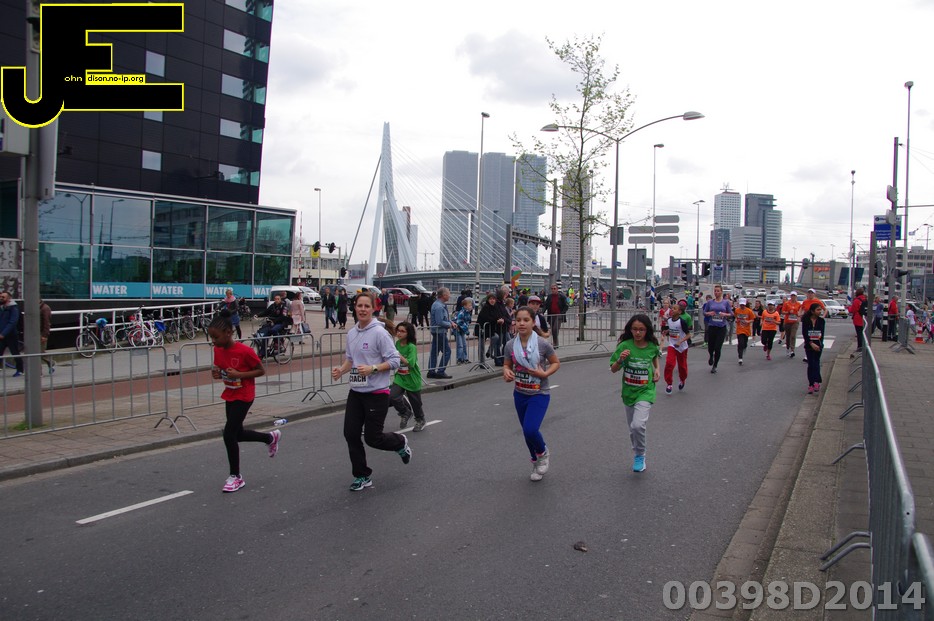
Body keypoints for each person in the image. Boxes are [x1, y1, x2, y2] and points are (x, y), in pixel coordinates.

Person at [331, 291, 409, 492]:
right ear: (355, 308)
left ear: (374, 308)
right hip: (356, 392)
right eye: (360, 306)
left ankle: (400, 442)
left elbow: (394, 361)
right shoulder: (352, 333)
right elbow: (351, 360)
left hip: (376, 394)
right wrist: (341, 370)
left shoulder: (380, 333)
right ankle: (362, 475)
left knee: (373, 439)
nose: (363, 309)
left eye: (367, 306)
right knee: (350, 434)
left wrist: (373, 368)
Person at [208, 311, 278, 493]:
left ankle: (236, 476)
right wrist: (217, 373)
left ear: (228, 333)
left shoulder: (245, 351)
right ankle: (270, 438)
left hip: (245, 395)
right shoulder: (218, 349)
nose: (213, 341)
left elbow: (260, 370)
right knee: (237, 434)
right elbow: (222, 369)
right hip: (230, 393)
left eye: (216, 337)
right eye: (211, 337)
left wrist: (240, 374)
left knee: (228, 434)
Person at [503, 306, 561, 482]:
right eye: (518, 320)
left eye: (526, 320)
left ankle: (543, 452)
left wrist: (545, 373)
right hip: (520, 393)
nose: (521, 323)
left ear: (532, 322)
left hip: (539, 393)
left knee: (530, 429)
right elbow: (507, 365)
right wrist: (506, 372)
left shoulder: (542, 344)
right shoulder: (510, 345)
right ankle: (535, 461)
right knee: (526, 433)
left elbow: (556, 363)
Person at [609, 314, 660, 473]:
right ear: (630, 330)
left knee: (638, 425)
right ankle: (637, 452)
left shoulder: (652, 345)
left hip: (646, 391)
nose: (638, 333)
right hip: (629, 392)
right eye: (635, 329)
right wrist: (620, 360)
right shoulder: (625, 346)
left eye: (641, 330)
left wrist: (657, 370)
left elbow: (655, 356)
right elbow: (613, 369)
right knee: (633, 428)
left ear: (647, 330)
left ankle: (640, 455)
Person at [389, 321, 427, 432]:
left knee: (416, 403)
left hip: (412, 378)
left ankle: (420, 420)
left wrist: (398, 355)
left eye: (402, 331)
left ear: (408, 333)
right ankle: (405, 412)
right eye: (398, 331)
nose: (399, 333)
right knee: (392, 396)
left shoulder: (411, 347)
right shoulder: (397, 344)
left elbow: (410, 363)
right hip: (400, 377)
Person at [662, 300, 692, 394]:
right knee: (669, 364)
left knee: (682, 367)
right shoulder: (669, 320)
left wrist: (680, 342)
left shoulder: (682, 322)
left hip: (682, 347)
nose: (672, 310)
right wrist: (666, 332)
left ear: (679, 312)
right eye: (672, 308)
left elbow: (688, 335)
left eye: (674, 309)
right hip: (672, 345)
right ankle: (669, 383)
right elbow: (671, 328)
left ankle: (682, 379)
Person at [703, 284, 732, 373]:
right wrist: (709, 313)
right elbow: (704, 312)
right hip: (712, 326)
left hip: (721, 327)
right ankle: (711, 356)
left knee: (718, 347)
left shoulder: (725, 302)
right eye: (715, 291)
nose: (716, 292)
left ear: (721, 292)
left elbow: (731, 314)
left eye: (718, 291)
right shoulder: (710, 302)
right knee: (710, 347)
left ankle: (715, 365)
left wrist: (724, 314)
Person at [478, 291, 511, 366]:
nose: (492, 300)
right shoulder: (486, 307)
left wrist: (501, 320)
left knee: (496, 337)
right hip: (482, 328)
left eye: (493, 299)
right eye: (490, 299)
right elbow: (487, 318)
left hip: (490, 329)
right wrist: (497, 320)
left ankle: (490, 351)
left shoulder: (494, 307)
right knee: (481, 346)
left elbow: (498, 315)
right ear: (488, 300)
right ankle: (482, 362)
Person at [427, 287, 453, 379]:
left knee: (434, 352)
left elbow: (443, 319)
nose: (449, 295)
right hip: (440, 332)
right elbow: (440, 321)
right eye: (448, 293)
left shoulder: (438, 304)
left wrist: (450, 322)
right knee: (447, 351)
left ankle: (431, 371)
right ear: (444, 295)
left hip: (437, 331)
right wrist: (450, 324)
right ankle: (441, 371)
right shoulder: (439, 306)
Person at [801, 301, 826, 394]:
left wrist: (819, 345)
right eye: (818, 310)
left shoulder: (821, 321)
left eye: (820, 310)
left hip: (818, 345)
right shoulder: (806, 320)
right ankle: (811, 383)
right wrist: (811, 343)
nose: (820, 311)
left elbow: (822, 334)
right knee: (811, 364)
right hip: (809, 345)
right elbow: (804, 333)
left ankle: (816, 382)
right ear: (812, 311)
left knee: (816, 362)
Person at [0, 291, 23, 377]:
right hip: (1, 335)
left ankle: (20, 370)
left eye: (3, 297)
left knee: (15, 352)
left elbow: (12, 322)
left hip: (11, 335)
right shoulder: (1, 307)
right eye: (0, 297)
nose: (1, 298)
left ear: (9, 298)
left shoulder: (13, 308)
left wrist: (3, 333)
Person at [800, 289, 826, 364]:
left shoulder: (818, 301)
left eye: (812, 293)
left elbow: (825, 309)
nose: (810, 294)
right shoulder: (805, 301)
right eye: (809, 293)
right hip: (807, 320)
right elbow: (801, 308)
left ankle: (815, 349)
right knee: (807, 336)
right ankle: (807, 354)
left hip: (816, 320)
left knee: (815, 336)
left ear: (814, 294)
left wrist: (823, 317)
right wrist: (799, 314)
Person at [544, 284, 569, 348]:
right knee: (553, 330)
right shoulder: (549, 297)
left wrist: (562, 313)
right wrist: (542, 312)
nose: (553, 290)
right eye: (552, 289)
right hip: (551, 314)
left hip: (558, 315)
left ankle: (555, 343)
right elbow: (546, 305)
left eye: (554, 289)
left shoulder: (561, 296)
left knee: (555, 329)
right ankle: (556, 343)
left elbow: (566, 305)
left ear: (557, 289)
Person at [780, 291, 803, 358]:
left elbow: (801, 311)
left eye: (794, 296)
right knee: (788, 336)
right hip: (787, 321)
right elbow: (783, 312)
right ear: (790, 296)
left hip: (795, 322)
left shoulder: (798, 304)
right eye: (792, 296)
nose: (793, 297)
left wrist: (799, 315)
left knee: (793, 336)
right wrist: (788, 312)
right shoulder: (786, 303)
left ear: (796, 297)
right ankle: (788, 348)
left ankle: (792, 350)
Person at [734, 298, 756, 365]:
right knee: (740, 343)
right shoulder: (737, 310)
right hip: (739, 329)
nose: (742, 306)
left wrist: (748, 321)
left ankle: (744, 347)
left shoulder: (749, 311)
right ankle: (740, 358)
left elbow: (753, 319)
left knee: (744, 343)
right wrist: (736, 320)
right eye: (741, 305)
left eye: (743, 305)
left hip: (746, 330)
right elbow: (735, 317)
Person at [848, 287, 868, 354]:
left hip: (858, 318)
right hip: (864, 318)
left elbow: (852, 310)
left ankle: (860, 347)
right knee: (863, 333)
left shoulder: (856, 300)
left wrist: (849, 308)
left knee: (859, 333)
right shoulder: (865, 299)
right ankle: (864, 346)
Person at [453, 297, 473, 364]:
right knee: (460, 345)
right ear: (465, 306)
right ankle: (459, 359)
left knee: (464, 345)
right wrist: (466, 330)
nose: (471, 307)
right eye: (469, 305)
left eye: (471, 305)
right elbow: (460, 322)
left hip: (462, 330)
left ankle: (465, 358)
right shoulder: (462, 313)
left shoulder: (467, 313)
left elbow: (468, 321)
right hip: (458, 330)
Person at [39, 298, 55, 374]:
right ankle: (51, 362)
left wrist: (44, 335)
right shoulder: (34, 307)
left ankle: (38, 372)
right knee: (38, 353)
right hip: (34, 333)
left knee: (39, 353)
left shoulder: (45, 308)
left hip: (41, 333)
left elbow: (47, 322)